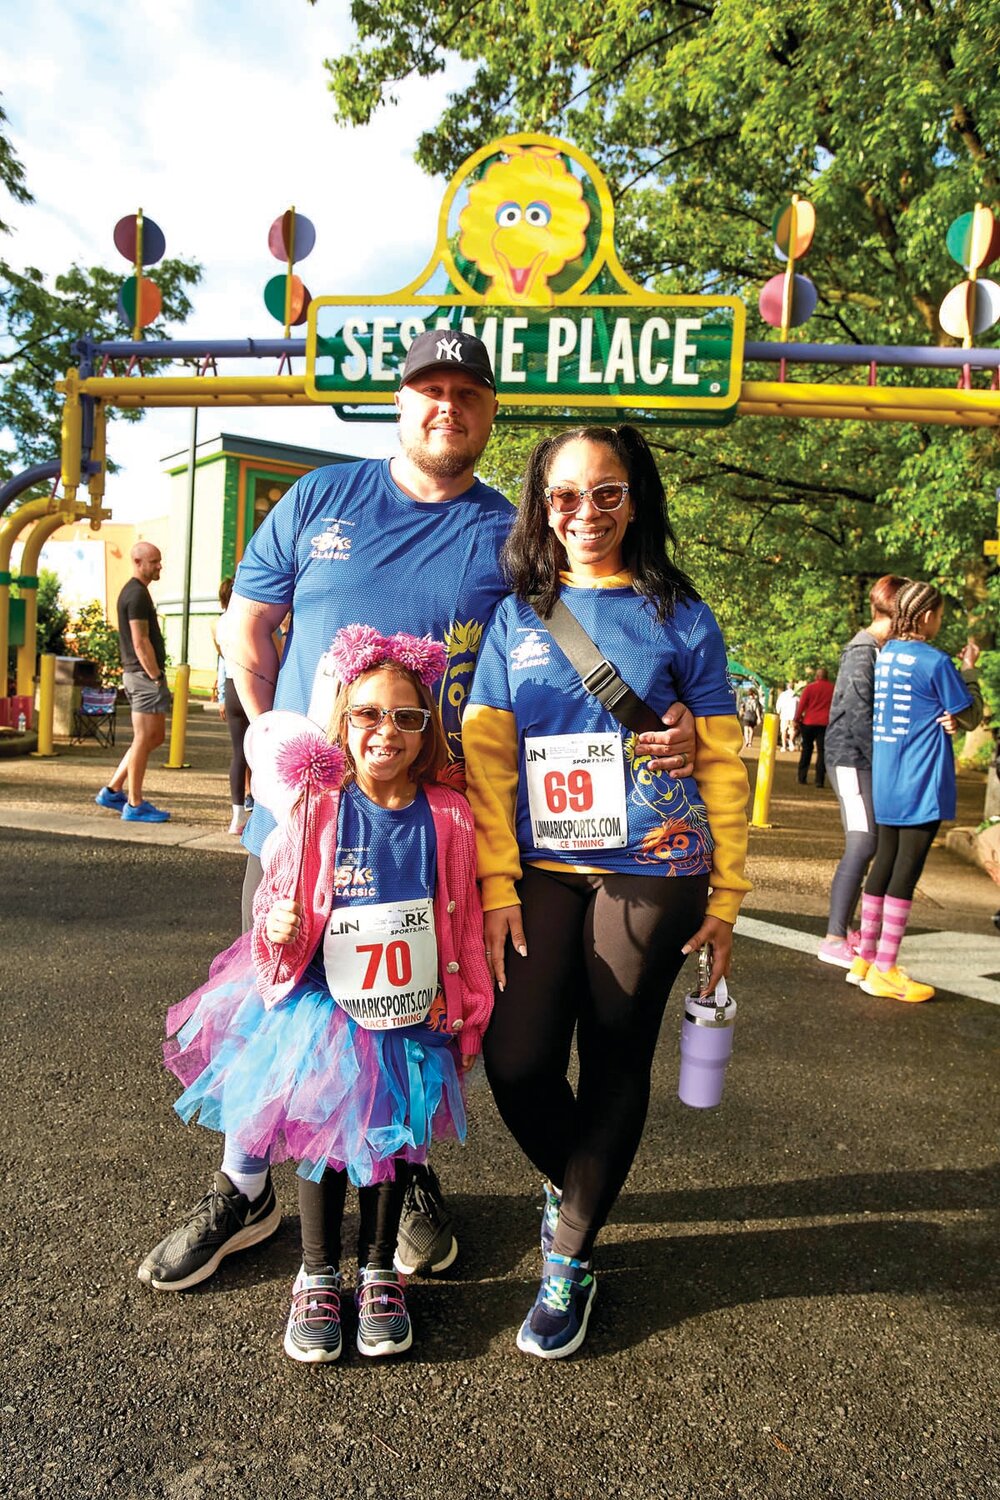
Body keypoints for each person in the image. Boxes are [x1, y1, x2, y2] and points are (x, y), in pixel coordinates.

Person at [135, 325, 703, 1293]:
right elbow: (249, 626)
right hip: (308, 825)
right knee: (283, 1002)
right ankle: (244, 1188)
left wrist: (678, 716)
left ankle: (400, 1169)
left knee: (410, 1009)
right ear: (398, 402)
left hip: (431, 832)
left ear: (489, 411)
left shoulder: (511, 532)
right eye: (429, 389)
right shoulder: (320, 499)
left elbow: (580, 642)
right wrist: (271, 754)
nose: (447, 406)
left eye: (468, 393)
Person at [462, 424, 750, 1359]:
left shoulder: (681, 614)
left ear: (638, 500)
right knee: (517, 1059)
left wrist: (729, 895)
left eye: (608, 493)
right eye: (565, 496)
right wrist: (497, 882)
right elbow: (489, 763)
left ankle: (570, 1259)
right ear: (542, 506)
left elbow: (724, 761)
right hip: (546, 867)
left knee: (616, 1056)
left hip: (656, 862)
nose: (586, 513)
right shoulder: (519, 616)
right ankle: (579, 1178)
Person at [143, 629, 492, 1362]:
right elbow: (283, 902)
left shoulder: (449, 815)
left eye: (406, 717)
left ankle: (377, 1274)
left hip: (407, 1008)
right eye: (367, 714)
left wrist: (460, 1004)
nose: (385, 731)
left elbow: (458, 915)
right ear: (342, 722)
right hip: (322, 1007)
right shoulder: (317, 809)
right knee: (324, 1147)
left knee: (393, 1147)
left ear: (427, 730)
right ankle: (315, 1273)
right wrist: (277, 927)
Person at [848, 581, 982, 1002]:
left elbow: (929, 708)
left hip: (889, 776)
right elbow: (972, 714)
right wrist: (971, 673)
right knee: (906, 872)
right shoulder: (935, 660)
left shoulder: (889, 656)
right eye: (940, 615)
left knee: (883, 864)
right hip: (921, 779)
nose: (941, 622)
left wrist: (946, 717)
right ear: (926, 617)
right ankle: (887, 969)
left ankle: (865, 959)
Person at [817, 576, 908, 970]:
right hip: (850, 760)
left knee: (866, 843)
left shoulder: (876, 650)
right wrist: (884, 765)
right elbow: (857, 717)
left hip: (858, 760)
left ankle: (845, 930)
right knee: (862, 843)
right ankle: (834, 937)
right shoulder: (862, 651)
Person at [94, 541, 172, 823]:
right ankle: (134, 803)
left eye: (159, 560)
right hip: (143, 676)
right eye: (154, 561)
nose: (159, 566)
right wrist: (155, 676)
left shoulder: (137, 592)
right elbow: (140, 641)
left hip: (138, 675)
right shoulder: (136, 595)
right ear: (138, 562)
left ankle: (114, 790)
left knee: (153, 737)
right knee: (144, 738)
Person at [213, 578, 251, 835]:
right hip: (252, 683)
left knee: (238, 752)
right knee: (260, 751)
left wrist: (222, 696)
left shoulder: (219, 623)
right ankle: (259, 807)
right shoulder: (250, 618)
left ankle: (237, 815)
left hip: (231, 684)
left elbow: (221, 659)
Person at [795, 667, 834, 787]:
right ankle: (819, 780)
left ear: (816, 676)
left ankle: (802, 777)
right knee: (822, 752)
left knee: (806, 749)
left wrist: (797, 719)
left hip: (809, 722)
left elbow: (801, 705)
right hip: (825, 724)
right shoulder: (833, 689)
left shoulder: (810, 688)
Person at [775, 682, 799, 752]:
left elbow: (778, 704)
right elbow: (799, 704)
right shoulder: (795, 695)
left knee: (783, 730)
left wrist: (778, 711)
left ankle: (784, 746)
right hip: (793, 715)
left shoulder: (783, 695)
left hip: (784, 715)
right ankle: (791, 741)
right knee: (793, 729)